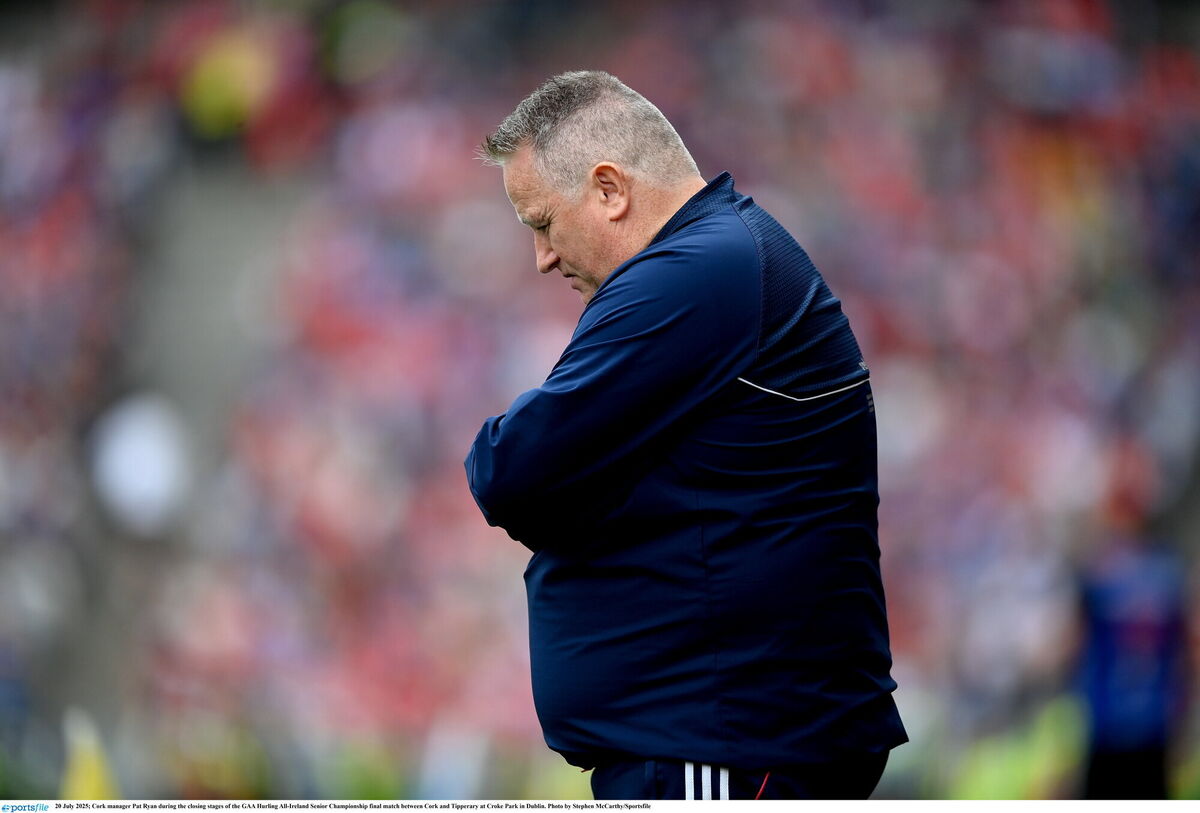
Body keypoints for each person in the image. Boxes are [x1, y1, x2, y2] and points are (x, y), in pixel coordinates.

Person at [465, 70, 907, 800]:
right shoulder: (724, 258)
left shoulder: (697, 273)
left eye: (543, 223)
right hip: (729, 738)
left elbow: (511, 469)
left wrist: (578, 493)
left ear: (609, 189)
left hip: (725, 745)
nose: (542, 257)